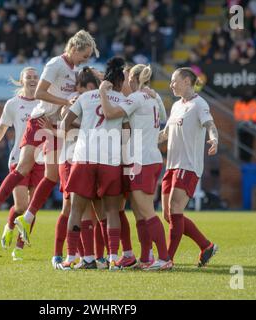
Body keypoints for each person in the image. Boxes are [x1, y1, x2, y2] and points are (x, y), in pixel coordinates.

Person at [0, 30, 99, 245]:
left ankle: (27, 218)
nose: (86, 59)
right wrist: (66, 103)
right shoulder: (56, 64)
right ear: (73, 49)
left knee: (51, 176)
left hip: (52, 125)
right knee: (23, 168)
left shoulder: (75, 69)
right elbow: (39, 94)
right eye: (85, 55)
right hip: (39, 120)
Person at [98, 64, 173, 271]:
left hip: (140, 160)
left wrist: (103, 93)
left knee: (146, 212)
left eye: (129, 77)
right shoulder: (153, 98)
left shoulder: (137, 98)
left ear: (133, 79)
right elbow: (164, 120)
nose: (127, 81)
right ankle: (146, 258)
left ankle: (164, 258)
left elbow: (110, 113)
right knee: (140, 213)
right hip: (152, 158)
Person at [58, 57, 127, 271]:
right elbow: (127, 131)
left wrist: (85, 130)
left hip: (84, 157)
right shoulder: (122, 100)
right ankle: (113, 259)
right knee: (112, 211)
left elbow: (64, 124)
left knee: (77, 210)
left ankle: (73, 258)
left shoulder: (86, 97)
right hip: (110, 159)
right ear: (119, 81)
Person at [0, 67, 45, 261]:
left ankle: (19, 248)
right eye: (28, 77)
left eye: (35, 77)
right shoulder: (13, 104)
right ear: (21, 81)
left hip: (41, 159)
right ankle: (10, 225)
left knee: (32, 207)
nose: (32, 80)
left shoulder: (45, 102)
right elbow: (1, 129)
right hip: (19, 158)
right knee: (21, 206)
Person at [159, 67, 219, 267]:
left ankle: (167, 259)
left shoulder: (200, 104)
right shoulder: (176, 105)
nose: (171, 85)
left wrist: (214, 139)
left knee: (175, 209)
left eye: (174, 81)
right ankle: (206, 245)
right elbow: (165, 134)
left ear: (186, 81)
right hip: (171, 166)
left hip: (188, 165)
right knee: (168, 215)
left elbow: (210, 125)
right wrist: (143, 141)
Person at [233, 91, 256, 162]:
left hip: (250, 126)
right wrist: (242, 121)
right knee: (242, 143)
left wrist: (251, 121)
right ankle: (242, 158)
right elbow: (236, 114)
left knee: (249, 143)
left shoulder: (254, 103)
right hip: (241, 126)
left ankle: (248, 158)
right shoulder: (239, 103)